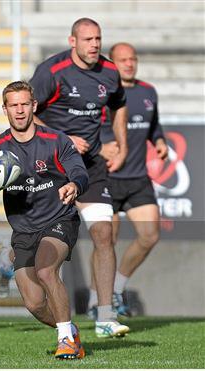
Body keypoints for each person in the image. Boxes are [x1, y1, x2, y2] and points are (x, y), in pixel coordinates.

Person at [0, 18, 130, 337]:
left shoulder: (109, 72)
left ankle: (105, 316)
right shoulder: (51, 72)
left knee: (104, 234)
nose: (94, 45)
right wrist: (64, 136)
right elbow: (27, 112)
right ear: (72, 42)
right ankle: (8, 258)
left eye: (98, 39)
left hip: (90, 166)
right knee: (39, 241)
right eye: (87, 39)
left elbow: (119, 105)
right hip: (51, 164)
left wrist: (120, 144)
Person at [0, 81, 88, 359]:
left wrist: (74, 185)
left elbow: (80, 172)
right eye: (13, 105)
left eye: (24, 104)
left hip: (59, 219)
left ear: (34, 106)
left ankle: (65, 340)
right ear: (5, 109)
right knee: (34, 304)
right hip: (24, 230)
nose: (19, 111)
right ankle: (69, 332)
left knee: (45, 270)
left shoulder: (56, 140)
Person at [88, 42, 168, 317]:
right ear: (113, 63)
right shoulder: (102, 92)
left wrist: (159, 141)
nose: (129, 63)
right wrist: (100, 148)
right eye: (123, 59)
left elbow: (153, 125)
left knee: (150, 235)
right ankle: (95, 299)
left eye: (133, 58)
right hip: (107, 177)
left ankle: (117, 289)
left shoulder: (148, 91)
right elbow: (83, 129)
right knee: (105, 241)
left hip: (137, 178)